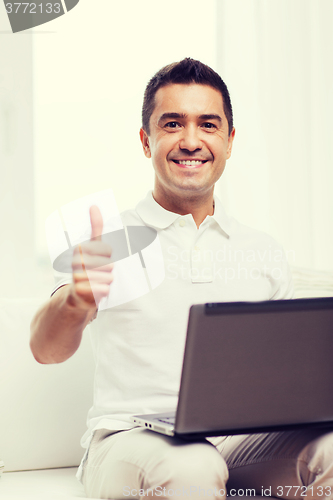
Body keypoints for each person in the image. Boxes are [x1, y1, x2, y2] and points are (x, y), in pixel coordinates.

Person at [30, 58, 333, 500]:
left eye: (208, 125)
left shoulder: (263, 250)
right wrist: (75, 302)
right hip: (130, 440)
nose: (191, 141)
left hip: (238, 442)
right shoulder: (108, 240)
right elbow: (45, 349)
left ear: (229, 141)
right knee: (193, 466)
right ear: (145, 140)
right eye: (172, 124)